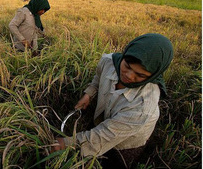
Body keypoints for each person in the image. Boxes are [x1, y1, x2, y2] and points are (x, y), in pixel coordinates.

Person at [52, 33, 174, 168]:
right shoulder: (109, 61)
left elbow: (104, 136)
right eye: (127, 66)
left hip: (127, 141)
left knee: (114, 162)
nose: (128, 75)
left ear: (154, 75)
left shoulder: (143, 107)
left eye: (140, 75)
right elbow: (98, 78)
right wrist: (89, 94)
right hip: (107, 120)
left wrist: (66, 143)